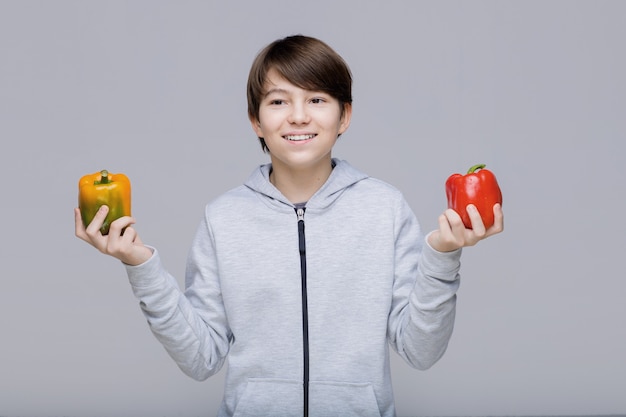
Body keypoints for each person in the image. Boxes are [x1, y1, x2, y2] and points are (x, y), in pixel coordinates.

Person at [75, 35, 503, 417]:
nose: (298, 116)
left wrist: (443, 257)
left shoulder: (384, 208)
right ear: (256, 121)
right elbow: (200, 358)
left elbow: (420, 351)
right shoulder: (223, 217)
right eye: (278, 101)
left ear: (344, 116)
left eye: (316, 100)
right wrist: (139, 263)